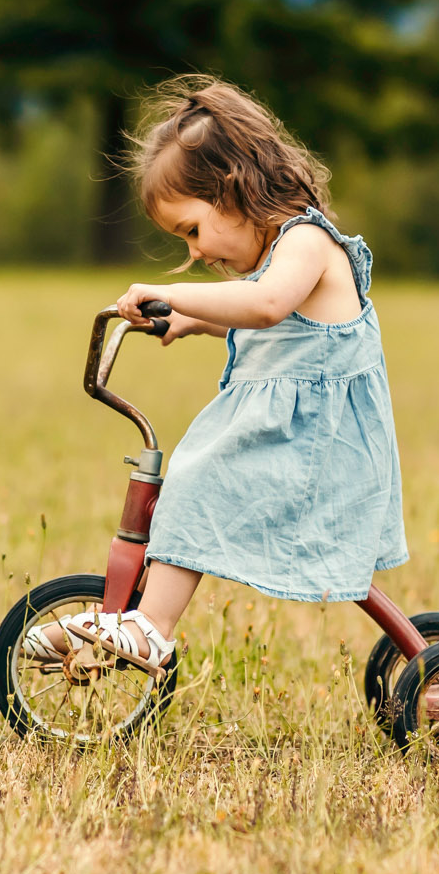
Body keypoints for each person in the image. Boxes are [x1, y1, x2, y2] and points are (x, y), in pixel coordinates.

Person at [50, 76, 408, 674]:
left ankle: (151, 629)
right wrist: (188, 322)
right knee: (193, 478)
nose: (193, 252)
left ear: (235, 188)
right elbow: (274, 325)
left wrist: (173, 293)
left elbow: (265, 306)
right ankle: (134, 620)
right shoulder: (277, 260)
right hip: (295, 439)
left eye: (192, 229)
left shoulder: (307, 242)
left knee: (194, 478)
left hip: (316, 448)